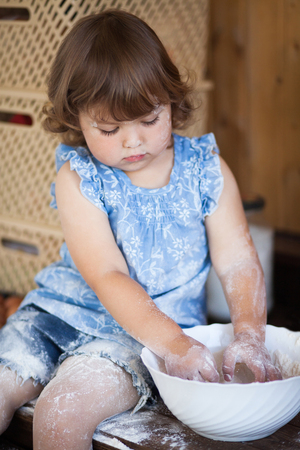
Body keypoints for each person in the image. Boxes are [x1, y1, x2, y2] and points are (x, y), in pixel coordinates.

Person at [0, 9, 281, 450]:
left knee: (61, 412)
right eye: (109, 128)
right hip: (57, 314)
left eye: (149, 120)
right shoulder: (79, 177)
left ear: (171, 100)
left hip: (149, 336)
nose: (133, 141)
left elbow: (240, 260)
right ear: (76, 118)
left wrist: (247, 335)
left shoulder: (207, 170)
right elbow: (107, 274)